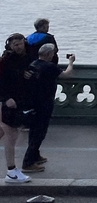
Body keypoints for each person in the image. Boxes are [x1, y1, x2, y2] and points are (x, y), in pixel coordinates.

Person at [21, 44, 75, 173]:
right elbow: (66, 74)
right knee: (40, 132)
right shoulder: (49, 66)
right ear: (49, 54)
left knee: (34, 130)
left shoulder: (33, 64)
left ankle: (35, 155)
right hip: (45, 102)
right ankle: (28, 162)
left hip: (33, 102)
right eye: (53, 53)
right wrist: (71, 62)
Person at [0, 33, 32, 184]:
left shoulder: (26, 58)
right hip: (9, 102)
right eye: (15, 45)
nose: (19, 47)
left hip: (18, 100)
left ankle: (12, 171)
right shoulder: (6, 60)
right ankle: (11, 171)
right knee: (11, 135)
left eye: (20, 44)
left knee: (4, 133)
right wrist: (6, 98)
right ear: (10, 46)